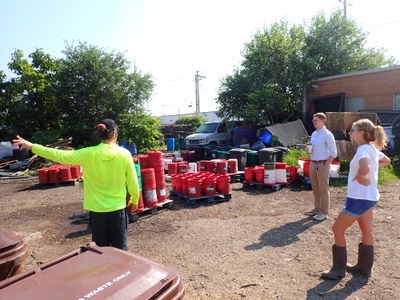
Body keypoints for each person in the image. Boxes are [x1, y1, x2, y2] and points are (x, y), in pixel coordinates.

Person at [13, 119, 139, 251]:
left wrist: (33, 146)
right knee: (121, 251)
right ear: (114, 134)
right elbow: (132, 180)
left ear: (100, 135)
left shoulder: (89, 154)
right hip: (117, 210)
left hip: (97, 212)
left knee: (101, 252)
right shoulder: (124, 154)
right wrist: (134, 199)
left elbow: (59, 155)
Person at [321, 119, 390, 279]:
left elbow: (365, 166)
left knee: (337, 229)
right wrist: (370, 172)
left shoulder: (363, 151)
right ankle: (364, 268)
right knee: (366, 230)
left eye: (353, 130)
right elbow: (386, 160)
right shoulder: (371, 148)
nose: (350, 132)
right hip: (369, 197)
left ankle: (338, 269)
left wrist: (361, 175)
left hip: (359, 198)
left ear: (362, 133)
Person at [305, 112, 337, 221]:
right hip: (313, 163)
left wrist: (326, 164)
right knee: (315, 188)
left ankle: (324, 212)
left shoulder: (328, 134)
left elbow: (333, 153)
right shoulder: (314, 134)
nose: (314, 122)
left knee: (323, 189)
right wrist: (309, 149)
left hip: (322, 163)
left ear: (323, 121)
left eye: (316, 120)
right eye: (313, 120)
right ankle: (317, 208)